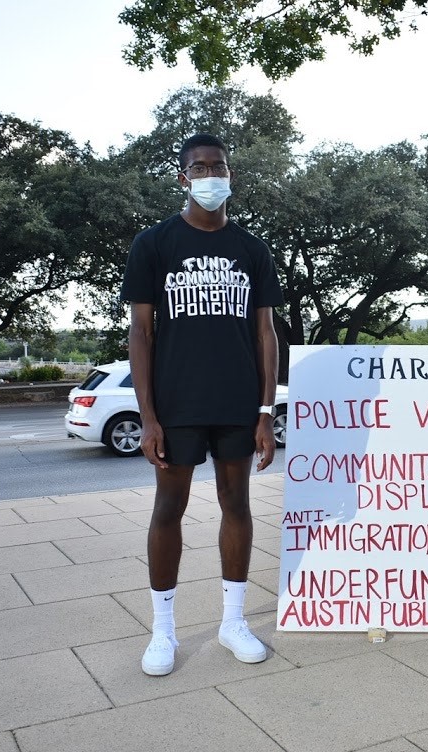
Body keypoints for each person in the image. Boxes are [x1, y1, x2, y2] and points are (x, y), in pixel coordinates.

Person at [121, 133, 284, 676]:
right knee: (169, 509)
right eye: (199, 166)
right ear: (183, 176)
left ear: (230, 176)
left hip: (238, 403)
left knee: (237, 504)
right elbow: (140, 333)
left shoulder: (252, 249)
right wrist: (148, 416)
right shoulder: (154, 244)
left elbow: (266, 334)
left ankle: (232, 622)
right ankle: (161, 630)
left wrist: (265, 410)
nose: (210, 174)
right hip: (177, 403)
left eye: (219, 166)